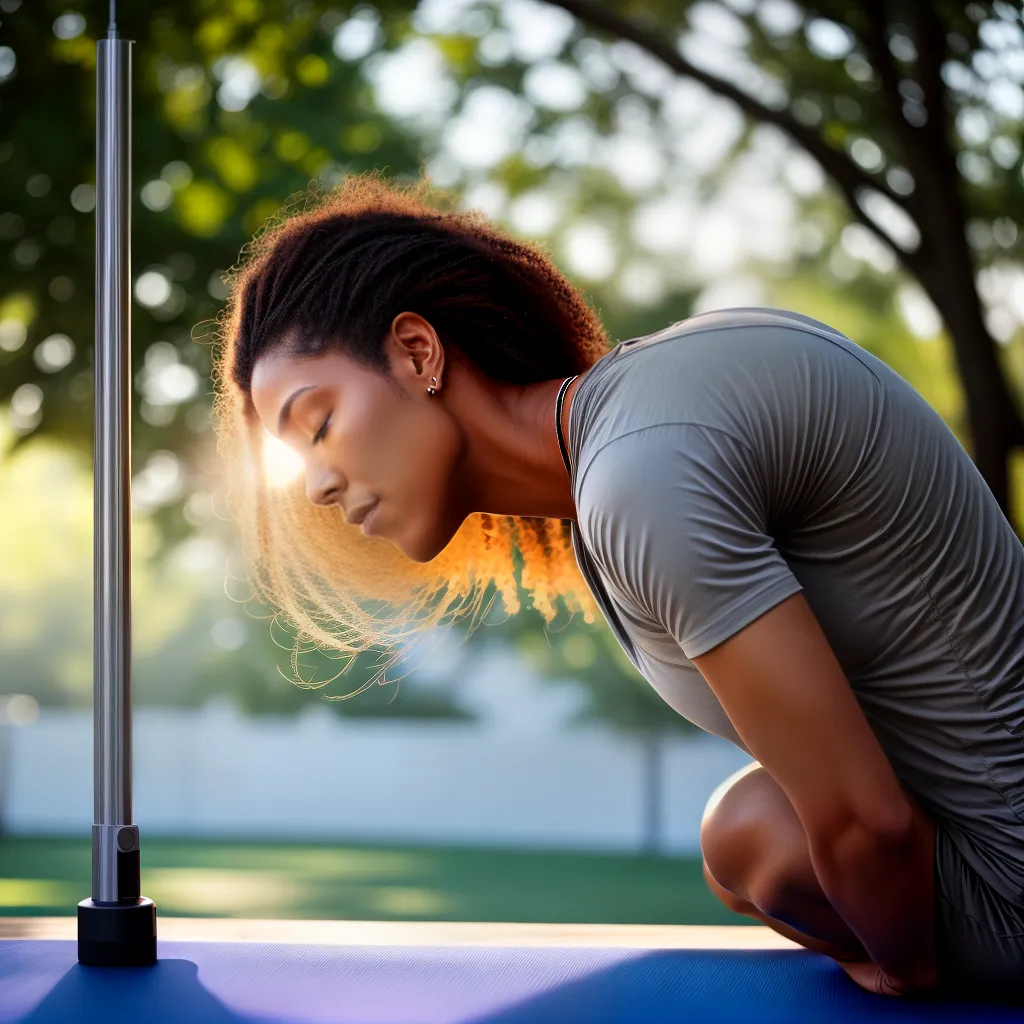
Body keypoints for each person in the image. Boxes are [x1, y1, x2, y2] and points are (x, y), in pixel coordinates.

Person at [212, 171, 1024, 1002]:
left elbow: (869, 825)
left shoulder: (638, 480)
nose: (315, 485)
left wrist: (907, 974)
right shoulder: (636, 428)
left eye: (317, 425)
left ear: (417, 351)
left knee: (745, 838)